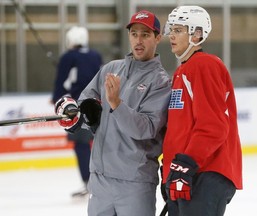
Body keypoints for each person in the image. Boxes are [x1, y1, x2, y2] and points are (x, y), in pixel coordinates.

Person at [54, 10, 171, 216]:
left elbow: (146, 129)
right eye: (134, 34)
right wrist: (74, 113)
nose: (139, 40)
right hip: (100, 181)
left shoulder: (161, 82)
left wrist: (117, 103)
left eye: (145, 34)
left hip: (135, 184)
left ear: (158, 38)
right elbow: (84, 105)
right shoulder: (111, 69)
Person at [161, 6, 243, 216]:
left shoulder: (204, 65)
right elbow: (181, 127)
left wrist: (185, 164)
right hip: (188, 173)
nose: (171, 35)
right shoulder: (182, 70)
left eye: (178, 30)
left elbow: (213, 126)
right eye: (172, 29)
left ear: (197, 34)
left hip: (205, 172)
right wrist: (171, 169)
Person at [51, 26, 103, 197]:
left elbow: (61, 81)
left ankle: (89, 183)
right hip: (98, 106)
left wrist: (57, 98)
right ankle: (102, 180)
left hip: (77, 108)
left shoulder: (68, 57)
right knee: (100, 144)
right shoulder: (95, 55)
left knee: (81, 145)